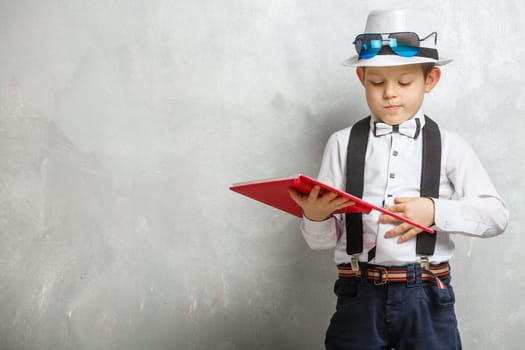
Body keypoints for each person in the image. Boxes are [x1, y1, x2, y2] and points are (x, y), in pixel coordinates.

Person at [288, 8, 509, 350]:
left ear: (430, 80)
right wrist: (315, 217)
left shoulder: (451, 146)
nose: (390, 93)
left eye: (404, 82)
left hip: (426, 295)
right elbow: (320, 242)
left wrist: (435, 212)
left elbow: (496, 216)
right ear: (362, 78)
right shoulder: (341, 144)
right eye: (377, 82)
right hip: (357, 293)